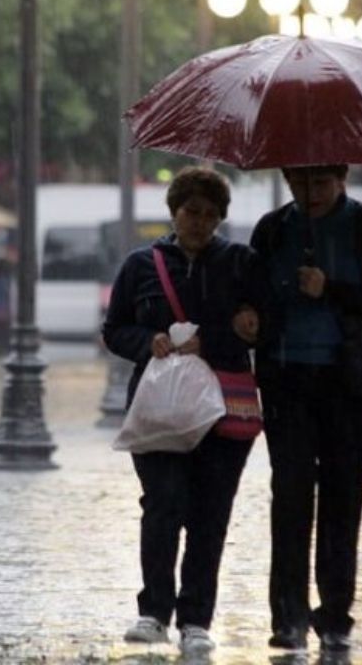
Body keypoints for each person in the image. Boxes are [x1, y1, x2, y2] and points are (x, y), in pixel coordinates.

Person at [243, 163, 362, 653]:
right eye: (298, 183)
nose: (308, 193)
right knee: (289, 499)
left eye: (318, 183)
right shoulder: (272, 229)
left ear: (340, 179)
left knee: (342, 500)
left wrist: (329, 288)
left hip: (349, 386)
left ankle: (335, 615)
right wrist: (253, 314)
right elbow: (251, 292)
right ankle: (287, 617)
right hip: (287, 383)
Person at [102, 167, 262, 656]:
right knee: (163, 502)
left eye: (211, 215)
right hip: (158, 411)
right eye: (193, 212)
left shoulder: (239, 263)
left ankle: (197, 618)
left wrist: (218, 335)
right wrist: (145, 341)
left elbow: (259, 322)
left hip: (220, 411)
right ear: (174, 211)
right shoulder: (140, 265)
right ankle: (154, 611)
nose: (200, 222)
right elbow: (115, 329)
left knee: (210, 513)